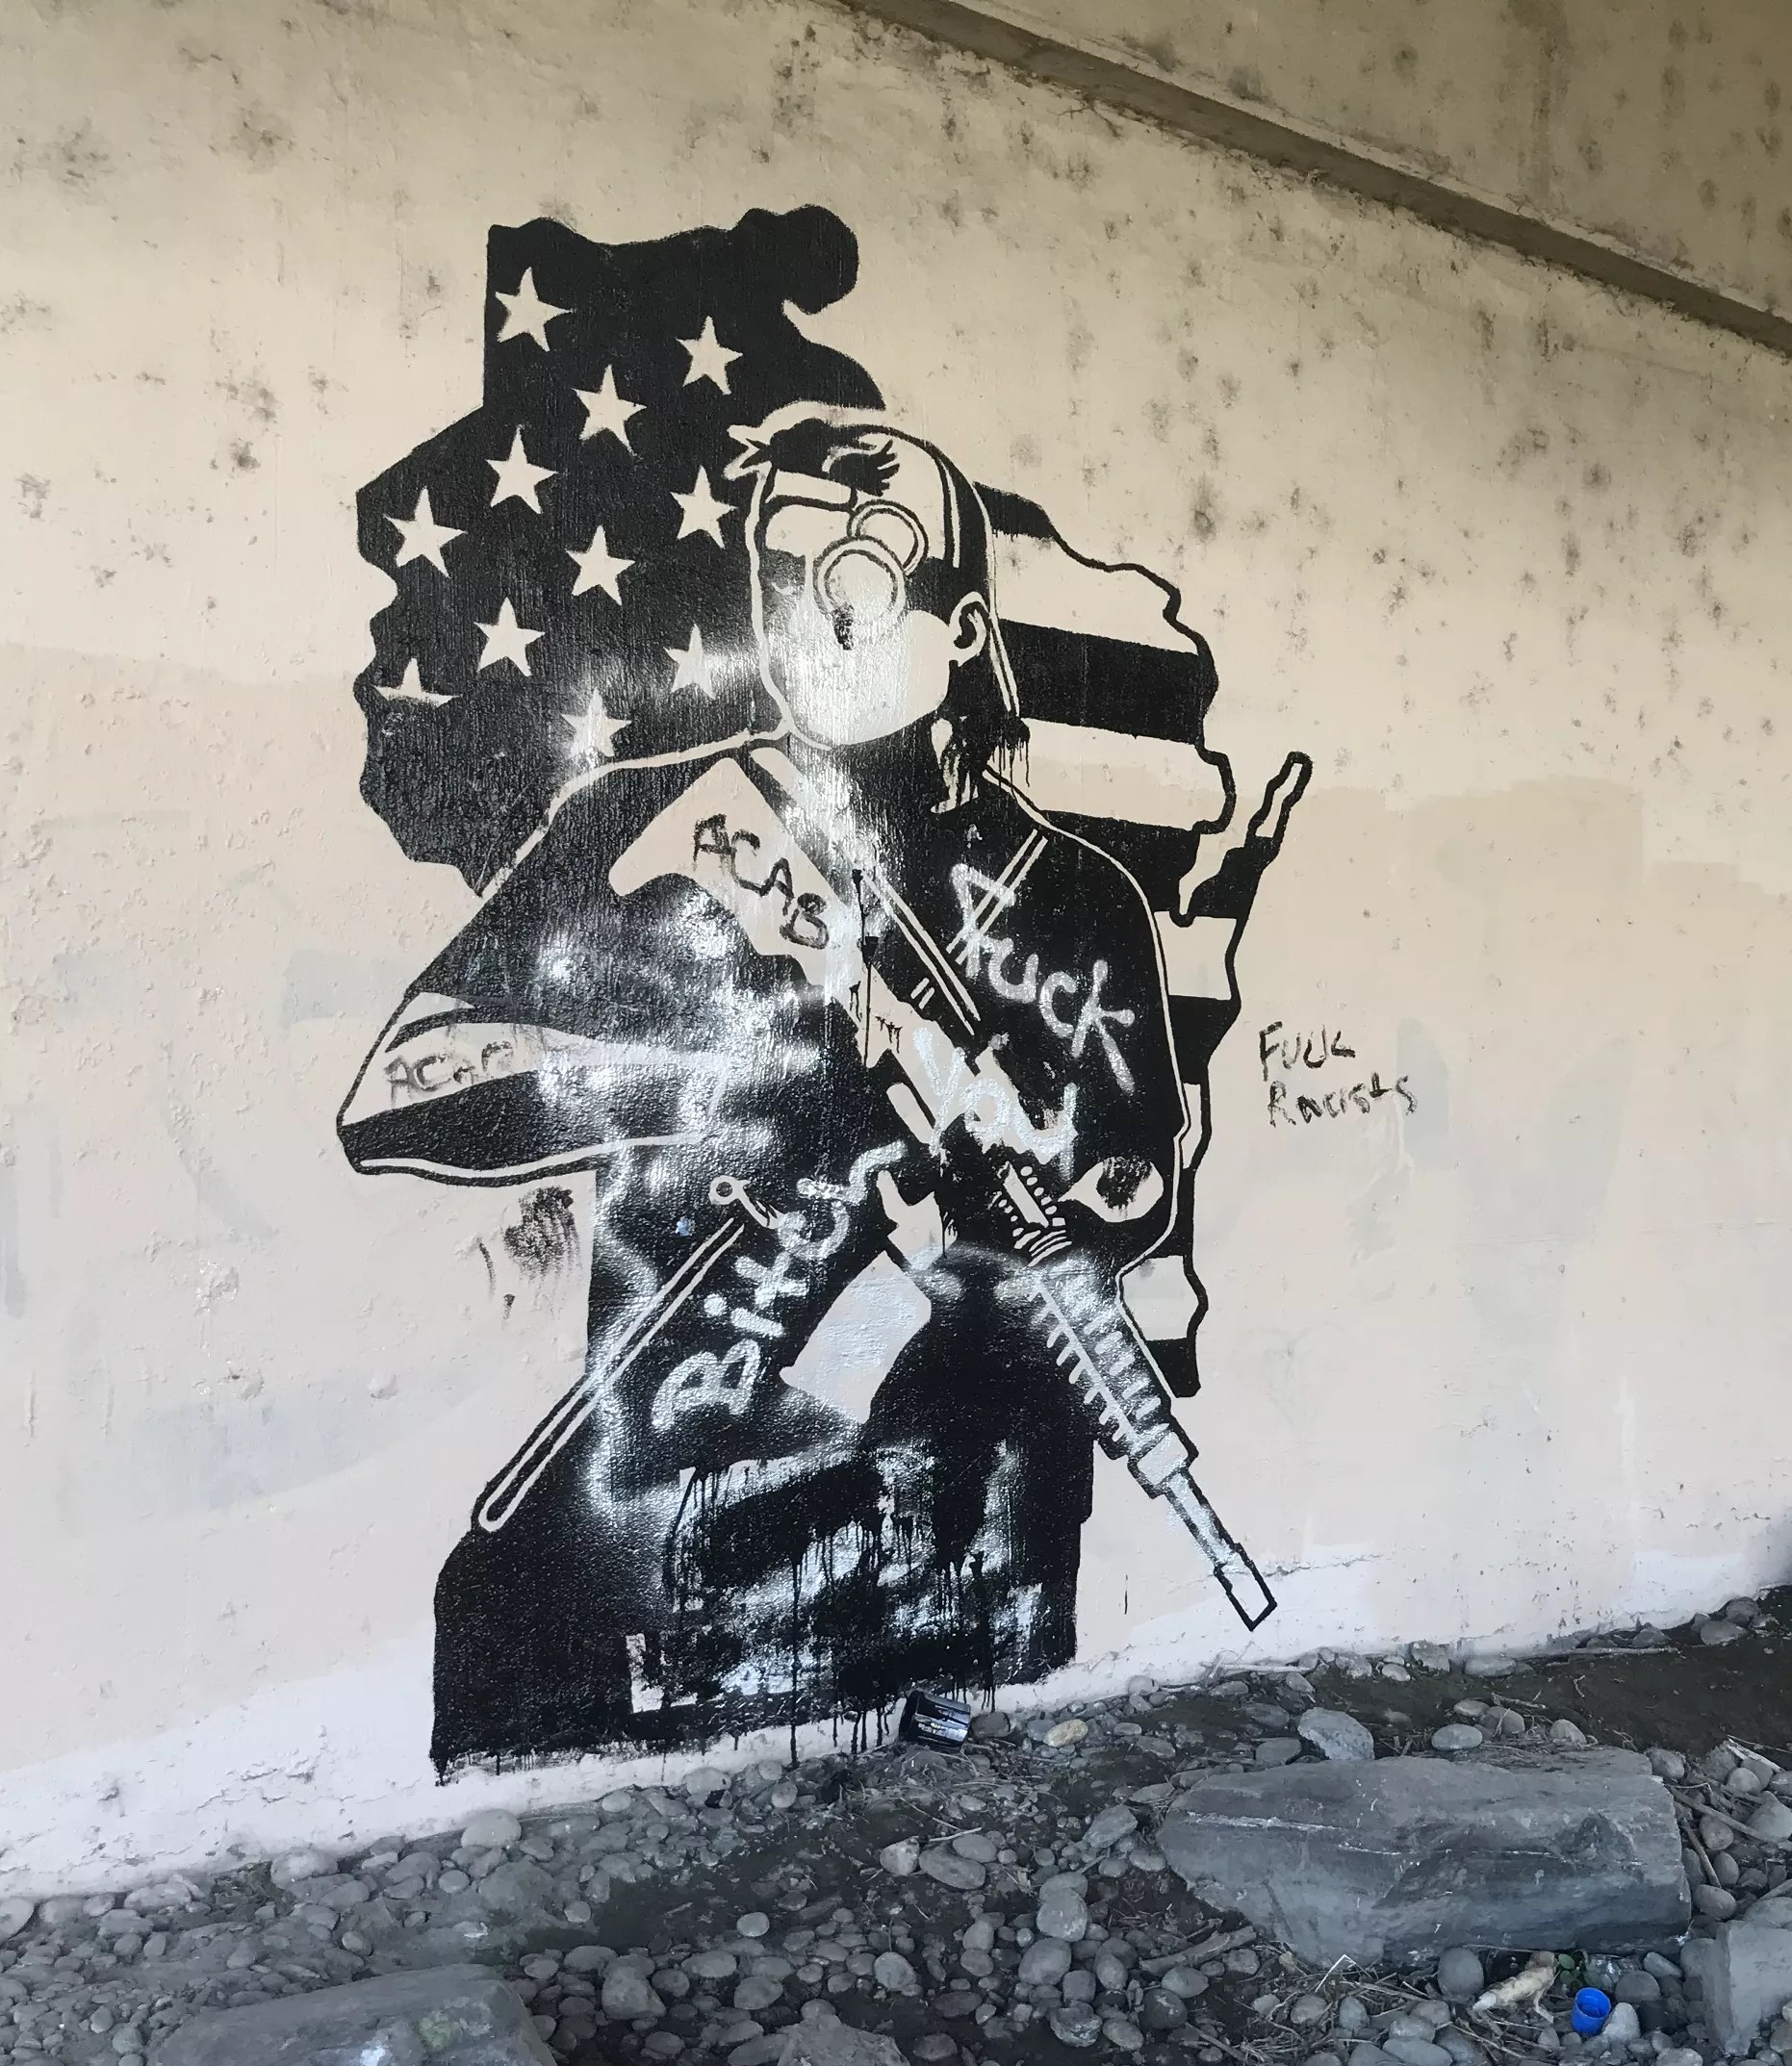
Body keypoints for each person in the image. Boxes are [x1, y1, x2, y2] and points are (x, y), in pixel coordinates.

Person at [340, 405, 1187, 1769]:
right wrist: (690, 1078)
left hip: (960, 1509)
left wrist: (992, 1210)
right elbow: (399, 1084)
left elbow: (1134, 1188)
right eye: (786, 570)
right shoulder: (655, 818)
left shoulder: (1076, 903)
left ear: (963, 626)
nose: (823, 610)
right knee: (500, 1622)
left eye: (869, 568)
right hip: (674, 1481)